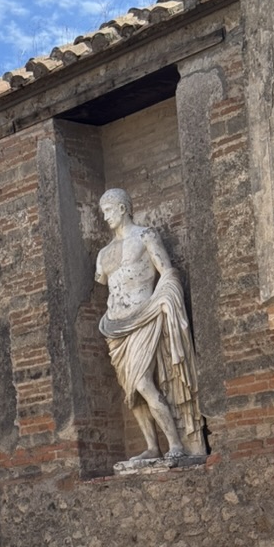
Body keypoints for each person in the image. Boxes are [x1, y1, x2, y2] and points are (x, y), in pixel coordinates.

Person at [95, 188, 204, 461]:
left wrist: (163, 300)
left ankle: (176, 444)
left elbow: (167, 273)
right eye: (102, 212)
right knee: (131, 391)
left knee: (143, 382)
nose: (105, 217)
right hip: (115, 327)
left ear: (123, 208)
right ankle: (152, 447)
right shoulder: (103, 254)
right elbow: (105, 283)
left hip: (144, 316)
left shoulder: (145, 236)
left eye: (108, 210)